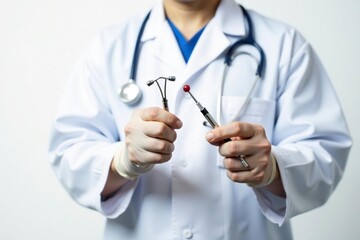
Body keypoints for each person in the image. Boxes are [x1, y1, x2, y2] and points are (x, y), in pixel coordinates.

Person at [49, 0, 352, 239]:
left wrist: (274, 168)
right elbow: (69, 152)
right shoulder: (109, 48)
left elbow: (326, 153)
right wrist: (121, 161)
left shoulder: (284, 45)